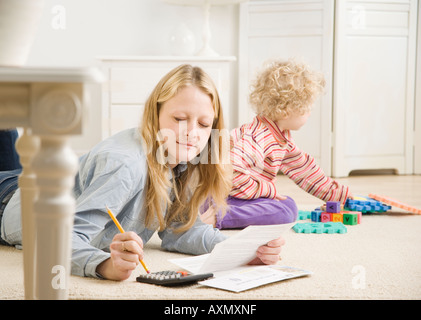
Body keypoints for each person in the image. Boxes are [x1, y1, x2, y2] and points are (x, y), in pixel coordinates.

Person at [0, 64, 285, 281]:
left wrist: (242, 250)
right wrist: (104, 266)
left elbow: (178, 233)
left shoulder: (185, 159)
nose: (191, 133)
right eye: (179, 119)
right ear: (155, 113)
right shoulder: (124, 165)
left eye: (203, 123)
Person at [201, 59, 352, 229]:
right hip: (220, 197)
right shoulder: (259, 137)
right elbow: (230, 172)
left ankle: (217, 212)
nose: (310, 113)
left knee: (286, 204)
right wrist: (268, 190)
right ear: (287, 111)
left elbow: (304, 170)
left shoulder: (281, 139)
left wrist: (339, 196)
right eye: (307, 108)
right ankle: (218, 216)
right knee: (287, 210)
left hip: (238, 196)